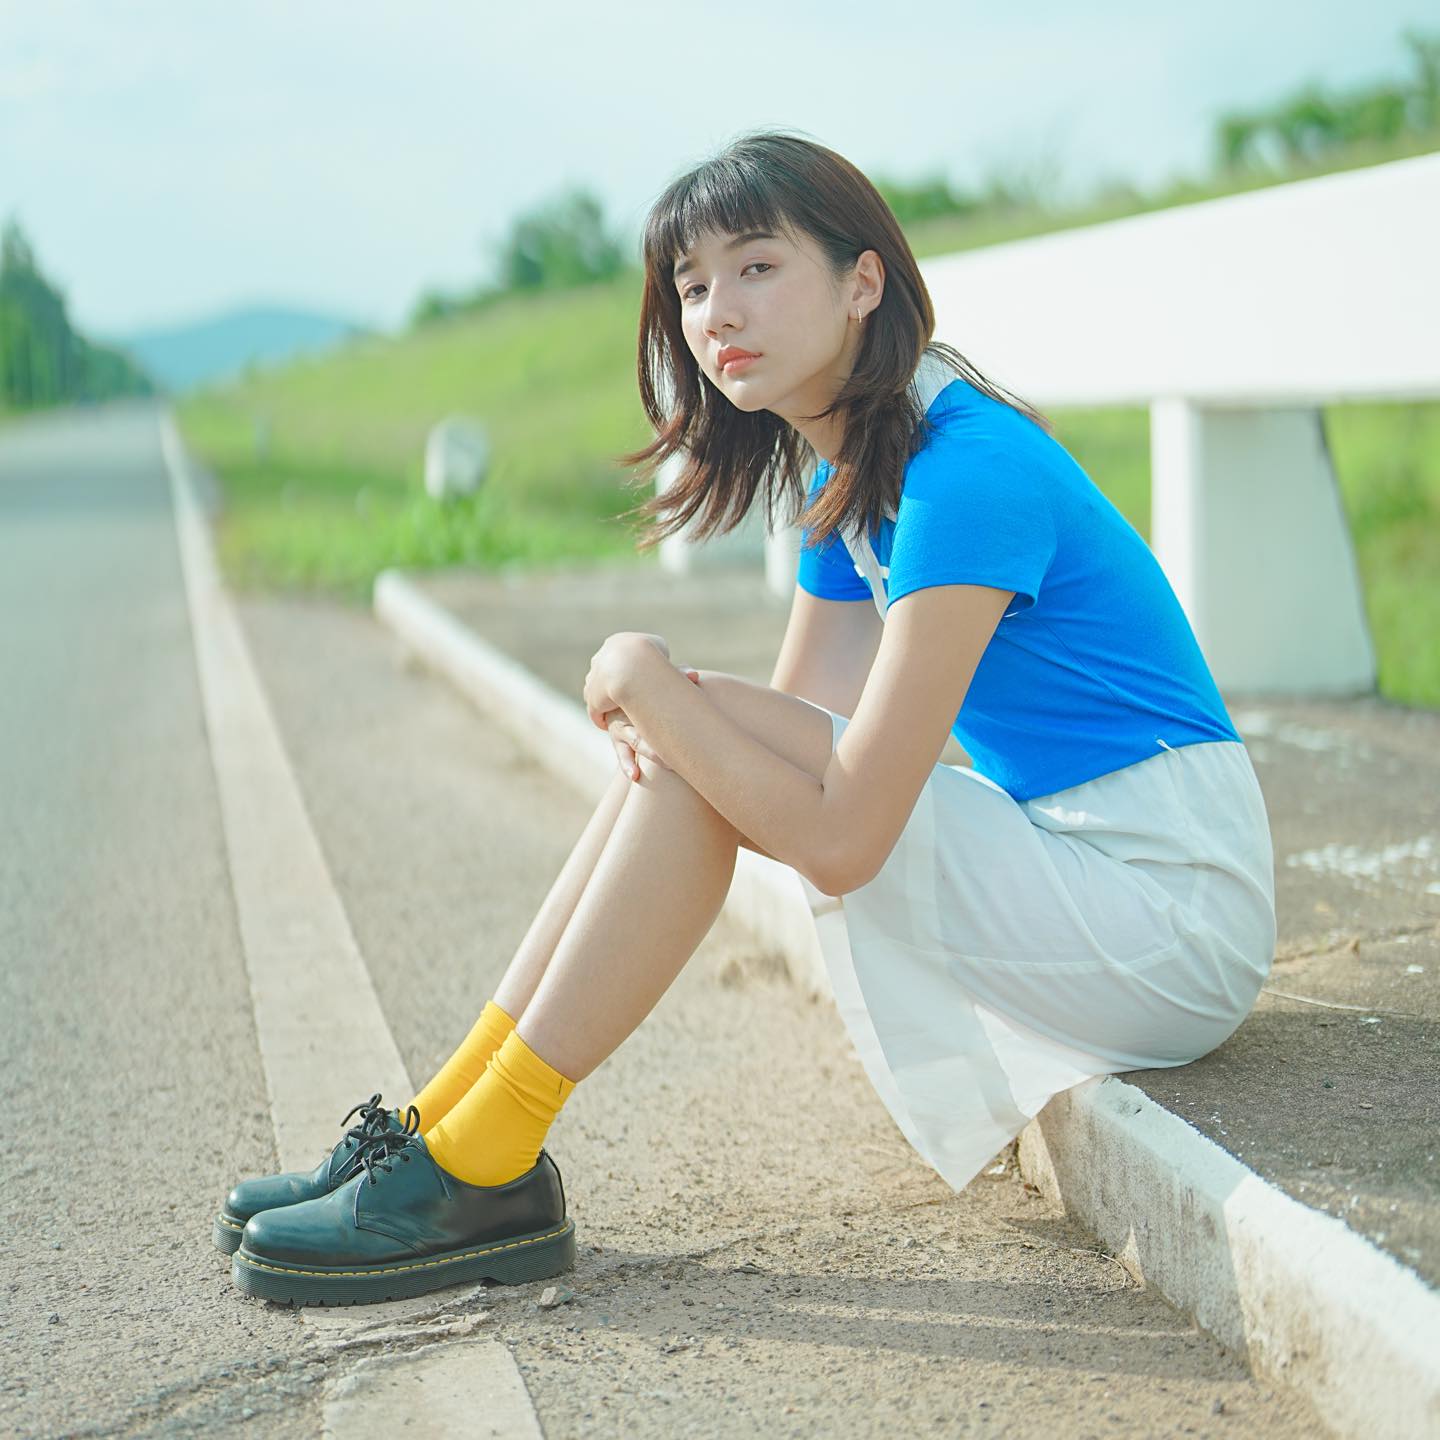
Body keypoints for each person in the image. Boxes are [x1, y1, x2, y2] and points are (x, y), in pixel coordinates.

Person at [220, 129, 1278, 1307]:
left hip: (1170, 903)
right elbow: (779, 743)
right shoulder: (854, 478)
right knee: (694, 742)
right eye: (691, 285)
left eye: (758, 268)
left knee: (690, 727)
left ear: (862, 281)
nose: (719, 308)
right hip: (1089, 861)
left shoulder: (964, 472)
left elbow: (841, 835)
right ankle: (451, 1125)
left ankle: (483, 1156)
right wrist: (678, 715)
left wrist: (648, 682)